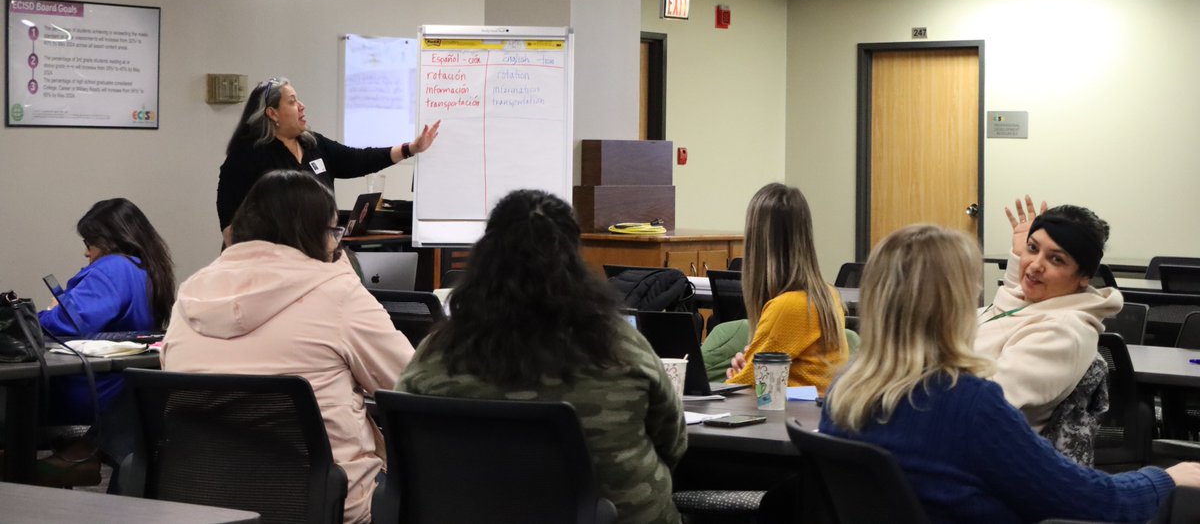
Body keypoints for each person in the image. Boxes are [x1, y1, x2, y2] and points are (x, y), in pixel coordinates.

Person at [820, 224, 1200, 523]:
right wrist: (1166, 477)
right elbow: (1090, 500)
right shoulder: (968, 404)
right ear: (953, 302)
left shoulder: (845, 390)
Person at [397, 189, 687, 524]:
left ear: (486, 257)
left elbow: (406, 443)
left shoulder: (437, 354)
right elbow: (673, 443)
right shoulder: (620, 347)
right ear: (575, 259)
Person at [164, 170, 413, 524]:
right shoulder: (338, 292)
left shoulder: (190, 294)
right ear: (314, 232)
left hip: (200, 500)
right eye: (333, 232)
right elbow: (410, 386)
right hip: (325, 503)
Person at [35, 197, 175, 484]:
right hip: (117, 388)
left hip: (87, 392)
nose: (87, 253)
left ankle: (22, 469)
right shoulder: (147, 269)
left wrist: (36, 317)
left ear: (110, 239)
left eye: (89, 243)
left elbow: (72, 322)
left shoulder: (114, 267)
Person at [216, 76, 440, 245]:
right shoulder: (246, 155)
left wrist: (410, 149)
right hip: (269, 259)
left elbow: (359, 159)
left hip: (319, 251)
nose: (302, 106)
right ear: (272, 113)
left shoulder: (313, 144)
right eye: (292, 102)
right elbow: (229, 222)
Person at [975, 195, 1122, 433]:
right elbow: (1008, 308)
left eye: (1056, 259)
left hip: (975, 454)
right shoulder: (1031, 304)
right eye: (1032, 248)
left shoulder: (1062, 332)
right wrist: (1017, 256)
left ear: (1084, 276)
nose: (1034, 265)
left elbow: (982, 405)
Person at [724, 183, 848, 394]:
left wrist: (741, 375)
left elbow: (743, 386)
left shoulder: (789, 306)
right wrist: (749, 367)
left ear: (757, 242)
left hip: (791, 419)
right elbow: (758, 377)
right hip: (811, 418)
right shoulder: (827, 295)